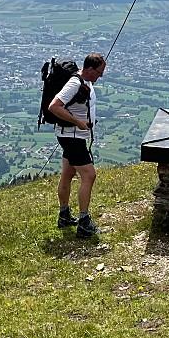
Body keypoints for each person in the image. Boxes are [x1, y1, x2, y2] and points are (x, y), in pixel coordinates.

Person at [48, 52, 106, 238]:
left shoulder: (86, 82)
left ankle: (64, 215)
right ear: (89, 69)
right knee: (89, 175)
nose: (101, 76)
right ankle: (84, 222)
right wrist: (77, 122)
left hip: (71, 136)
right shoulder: (75, 83)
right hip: (72, 137)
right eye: (99, 72)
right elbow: (54, 106)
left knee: (68, 173)